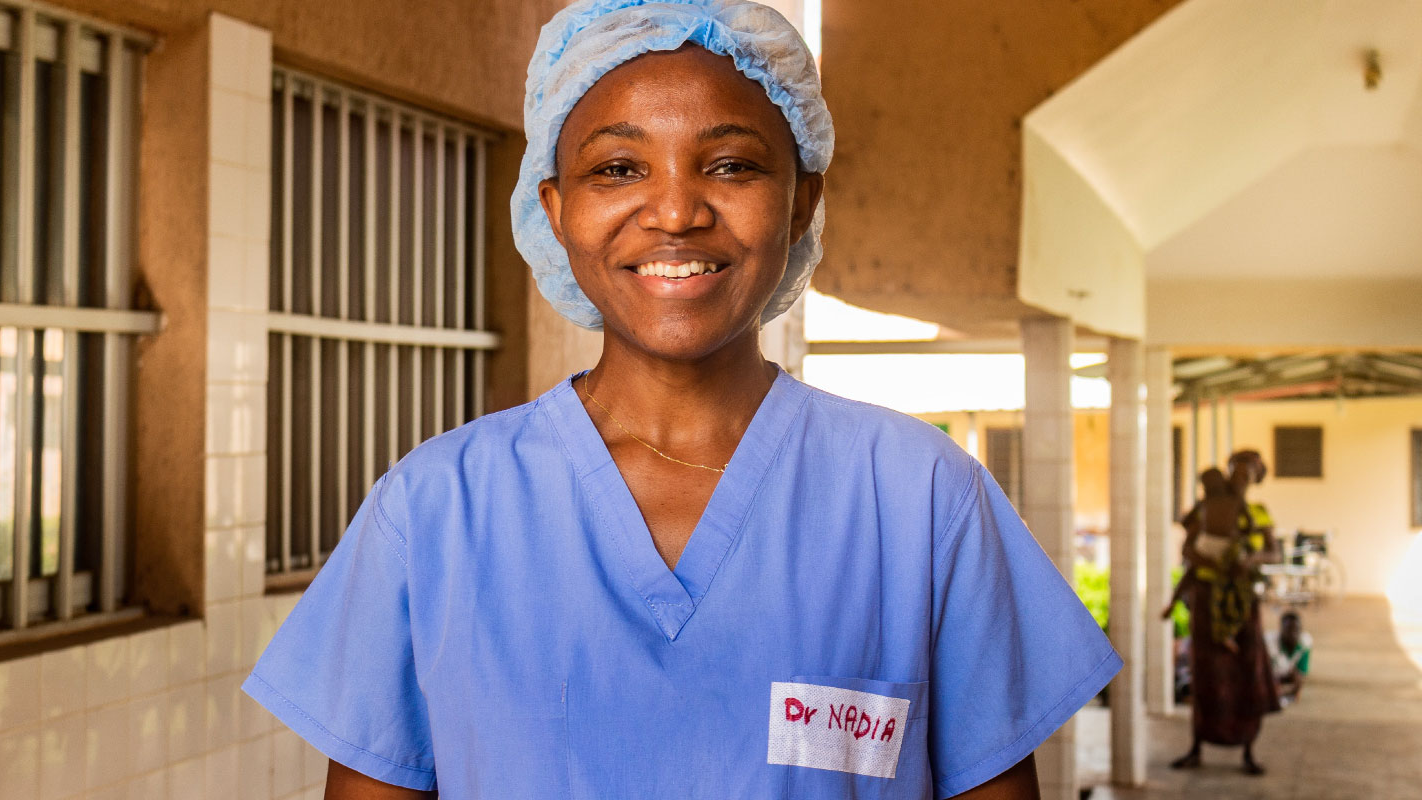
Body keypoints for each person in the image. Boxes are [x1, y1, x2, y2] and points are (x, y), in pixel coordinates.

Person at [242, 1, 1120, 797]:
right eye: (618, 168)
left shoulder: (923, 500)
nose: (673, 212)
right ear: (554, 209)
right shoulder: (435, 510)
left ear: (802, 201)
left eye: (731, 164)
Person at [1170, 450, 1281, 776]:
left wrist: (1249, 560)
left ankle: (1248, 747)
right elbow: (1188, 548)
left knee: (1246, 671)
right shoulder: (1204, 509)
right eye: (1236, 473)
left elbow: (1272, 550)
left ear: (1254, 480)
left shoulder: (1258, 513)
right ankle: (1197, 745)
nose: (1240, 481)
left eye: (1247, 475)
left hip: (1242, 600)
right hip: (1206, 598)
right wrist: (1208, 562)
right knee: (1206, 673)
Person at [1164, 468, 1255, 653]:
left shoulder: (1232, 501)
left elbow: (1250, 524)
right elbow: (1186, 521)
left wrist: (1240, 535)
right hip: (1208, 542)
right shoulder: (1208, 502)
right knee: (1192, 571)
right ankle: (1173, 601)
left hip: (1225, 545)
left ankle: (1227, 632)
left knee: (1230, 584)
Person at [1266, 611, 1312, 706]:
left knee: (1298, 677)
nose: (1293, 633)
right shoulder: (1268, 643)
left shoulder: (1305, 642)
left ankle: (1286, 695)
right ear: (1281, 629)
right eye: (1289, 629)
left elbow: (1302, 672)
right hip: (1269, 676)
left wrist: (1296, 686)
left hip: (1283, 673)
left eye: (1296, 629)